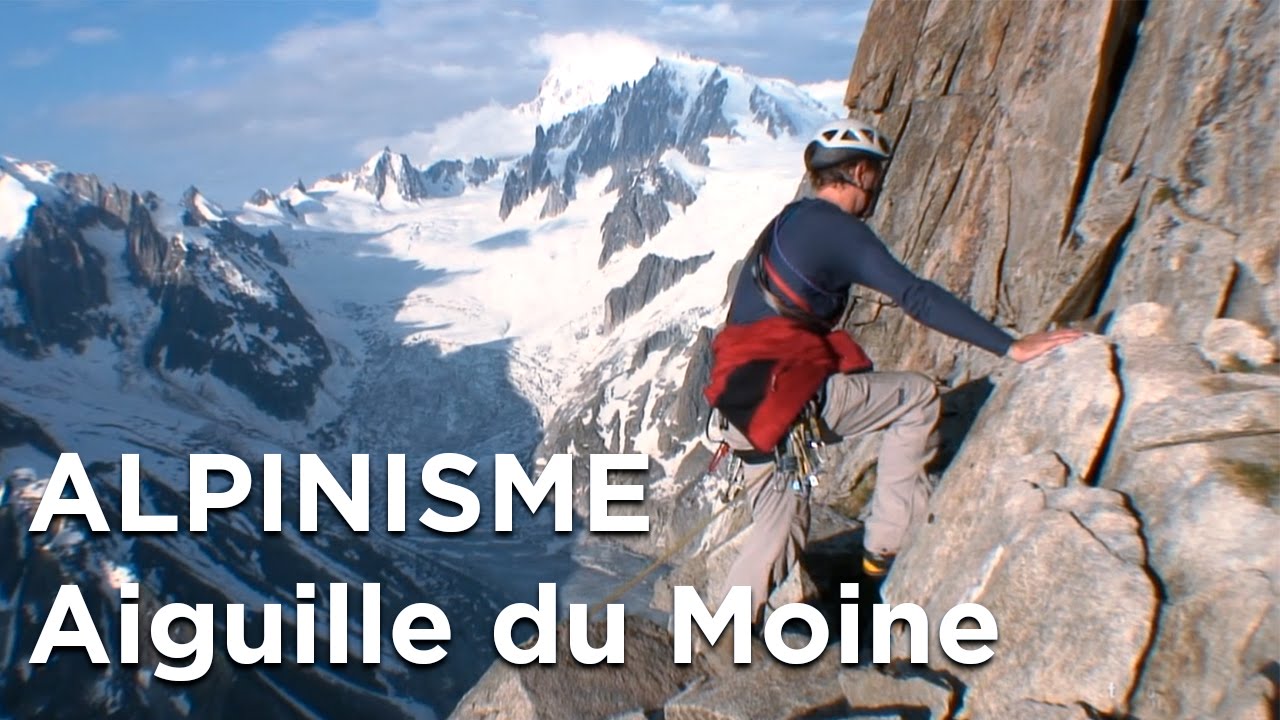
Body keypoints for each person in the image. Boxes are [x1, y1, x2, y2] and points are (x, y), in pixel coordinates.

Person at [703, 118, 1083, 627]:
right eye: (875, 176)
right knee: (918, 397)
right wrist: (1011, 346)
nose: (876, 188)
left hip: (742, 404)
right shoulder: (839, 231)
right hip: (788, 399)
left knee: (777, 532)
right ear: (860, 172)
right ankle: (884, 547)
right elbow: (916, 296)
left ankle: (720, 634)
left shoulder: (789, 222)